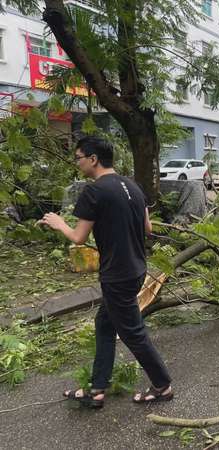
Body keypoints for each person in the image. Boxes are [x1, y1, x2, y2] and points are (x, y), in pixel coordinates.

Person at [38, 137, 172, 409]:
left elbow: (78, 237)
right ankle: (98, 388)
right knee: (104, 324)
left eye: (78, 158)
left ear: (93, 159)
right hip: (136, 268)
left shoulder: (95, 191)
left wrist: (58, 223)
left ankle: (162, 386)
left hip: (117, 275)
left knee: (133, 333)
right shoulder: (132, 186)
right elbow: (147, 229)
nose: (77, 162)